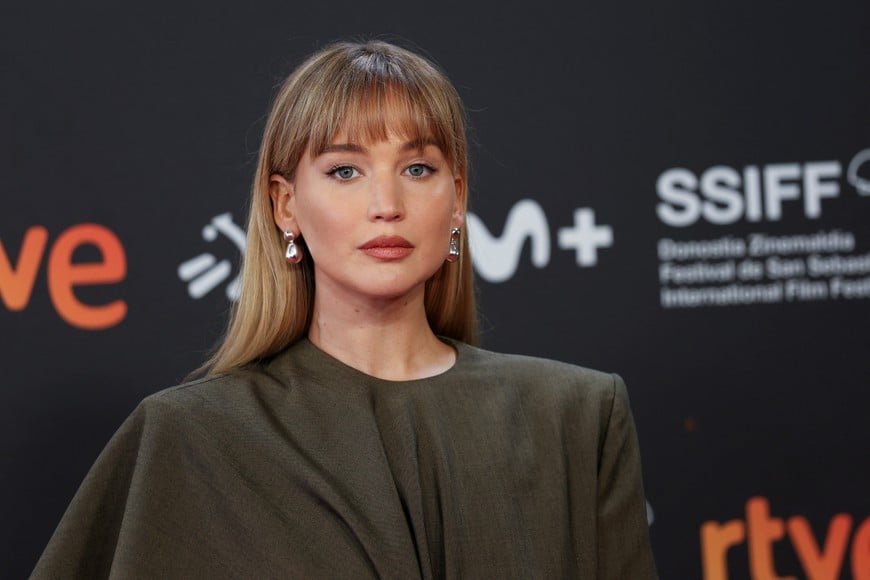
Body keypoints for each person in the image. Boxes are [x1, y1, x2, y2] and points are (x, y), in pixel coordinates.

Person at [31, 39, 657, 579]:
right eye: (344, 171)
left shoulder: (578, 416)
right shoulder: (190, 438)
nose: (387, 203)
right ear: (285, 206)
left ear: (457, 197)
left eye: (417, 167)